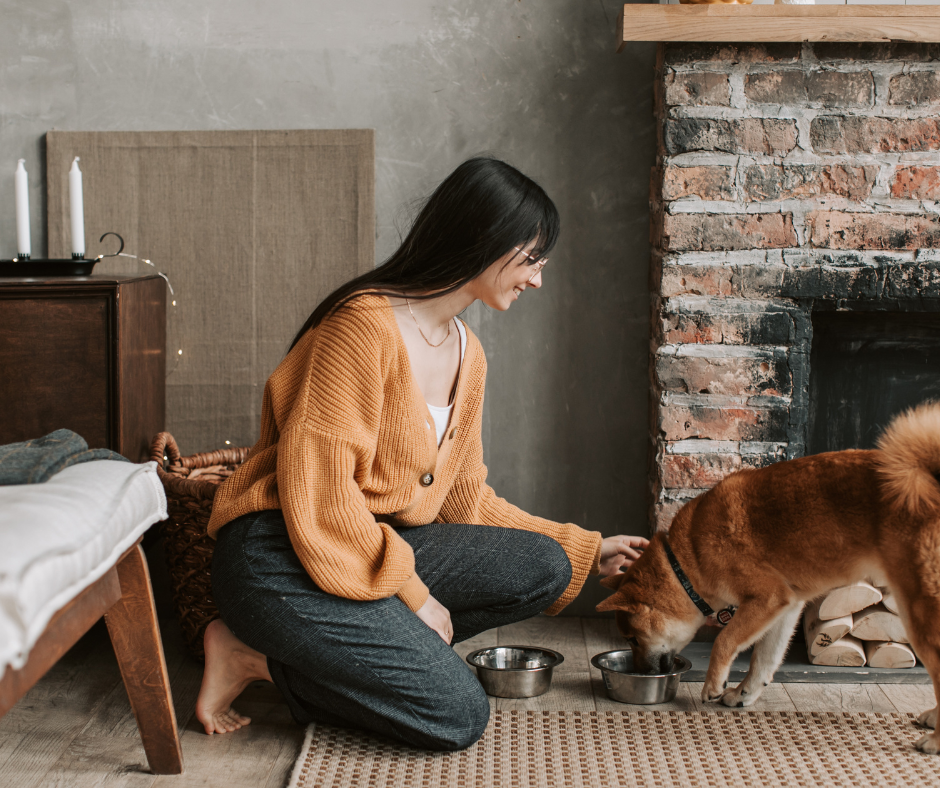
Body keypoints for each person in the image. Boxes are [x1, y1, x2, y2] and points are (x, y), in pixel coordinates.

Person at [195, 157, 649, 750]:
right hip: (279, 555)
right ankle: (251, 654)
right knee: (457, 714)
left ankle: (313, 656)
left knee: (547, 566)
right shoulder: (362, 327)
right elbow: (324, 499)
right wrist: (415, 595)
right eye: (532, 259)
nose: (537, 280)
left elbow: (465, 501)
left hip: (368, 547)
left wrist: (586, 549)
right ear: (486, 241)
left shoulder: (468, 353)